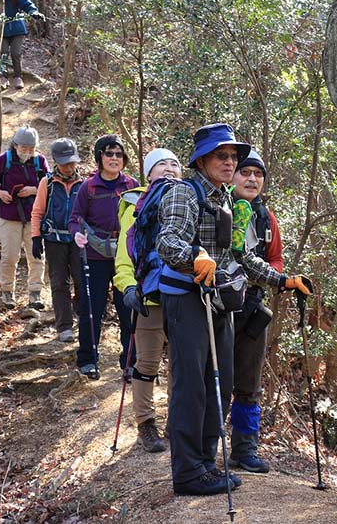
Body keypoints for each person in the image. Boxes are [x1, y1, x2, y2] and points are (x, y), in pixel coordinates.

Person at [156, 123, 312, 496]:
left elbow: (242, 257)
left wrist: (283, 281)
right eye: (221, 156)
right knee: (191, 385)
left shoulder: (226, 200)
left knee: (220, 383)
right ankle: (189, 472)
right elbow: (167, 241)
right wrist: (193, 258)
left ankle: (207, 464)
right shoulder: (183, 193)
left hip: (221, 301)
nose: (229, 163)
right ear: (202, 160)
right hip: (186, 300)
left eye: (233, 157)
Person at [114, 148, 182, 453]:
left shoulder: (190, 198)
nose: (169, 168)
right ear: (148, 173)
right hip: (149, 295)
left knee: (182, 363)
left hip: (184, 293)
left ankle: (176, 423)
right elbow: (125, 252)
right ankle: (146, 425)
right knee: (147, 363)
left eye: (175, 164)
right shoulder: (136, 204)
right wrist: (128, 288)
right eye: (161, 164)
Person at [228, 149, 284, 473]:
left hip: (252, 309)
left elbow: (276, 258)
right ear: (233, 175)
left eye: (257, 174)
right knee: (213, 380)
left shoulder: (266, 217)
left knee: (249, 384)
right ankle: (207, 448)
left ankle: (244, 449)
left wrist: (264, 274)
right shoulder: (220, 208)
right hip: (218, 308)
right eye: (245, 173)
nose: (251, 179)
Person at [68, 135, 138, 380]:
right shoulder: (88, 187)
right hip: (94, 254)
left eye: (119, 154)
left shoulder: (131, 185)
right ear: (100, 157)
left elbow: (141, 217)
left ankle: (131, 362)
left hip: (124, 257)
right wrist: (77, 235)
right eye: (109, 154)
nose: (114, 159)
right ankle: (88, 360)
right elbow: (75, 218)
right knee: (91, 309)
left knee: (128, 309)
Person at [0, 125, 49, 310]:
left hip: (34, 216)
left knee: (36, 255)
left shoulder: (39, 161)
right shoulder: (2, 161)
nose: (27, 152)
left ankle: (35, 293)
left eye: (31, 149)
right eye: (24, 148)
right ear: (15, 145)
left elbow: (51, 183)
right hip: (8, 216)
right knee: (9, 256)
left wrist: (34, 190)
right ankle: (7, 291)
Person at [30, 138, 84, 342]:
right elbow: (37, 212)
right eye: (65, 163)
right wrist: (36, 237)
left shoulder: (84, 183)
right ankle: (64, 326)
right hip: (54, 240)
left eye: (72, 162)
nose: (69, 167)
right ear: (56, 161)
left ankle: (82, 318)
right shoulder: (48, 183)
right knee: (59, 282)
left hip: (78, 240)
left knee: (81, 280)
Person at [1, 0, 45, 90]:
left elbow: (26, 4)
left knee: (15, 53)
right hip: (0, 30)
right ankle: (3, 77)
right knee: (2, 52)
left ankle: (18, 76)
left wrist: (34, 13)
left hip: (17, 29)